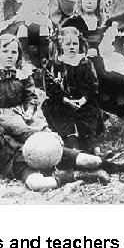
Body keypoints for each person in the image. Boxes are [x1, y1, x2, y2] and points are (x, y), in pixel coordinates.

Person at [0, 98, 124, 190]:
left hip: (35, 149)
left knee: (89, 160)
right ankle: (76, 176)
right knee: (38, 185)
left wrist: (47, 136)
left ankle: (116, 167)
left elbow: (23, 132)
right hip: (16, 165)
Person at [64, 0, 124, 116]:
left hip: (102, 51)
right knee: (97, 65)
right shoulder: (73, 22)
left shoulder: (103, 20)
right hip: (82, 53)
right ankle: (103, 99)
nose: (89, 2)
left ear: (98, 2)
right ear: (80, 2)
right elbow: (66, 41)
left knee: (116, 62)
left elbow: (112, 38)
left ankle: (120, 102)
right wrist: (84, 51)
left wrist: (110, 46)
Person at [42, 26, 103, 155]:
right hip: (62, 103)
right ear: (60, 45)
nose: (71, 47)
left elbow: (92, 85)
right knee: (67, 123)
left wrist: (83, 100)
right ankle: (74, 149)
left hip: (83, 103)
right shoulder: (54, 65)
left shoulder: (85, 63)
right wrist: (65, 100)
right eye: (67, 44)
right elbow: (51, 88)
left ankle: (95, 148)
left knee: (87, 122)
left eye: (75, 44)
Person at [0, 0, 53, 71]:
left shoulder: (38, 0)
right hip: (17, 32)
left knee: (43, 28)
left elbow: (45, 15)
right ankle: (25, 59)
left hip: (36, 32)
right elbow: (9, 19)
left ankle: (44, 59)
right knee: (23, 27)